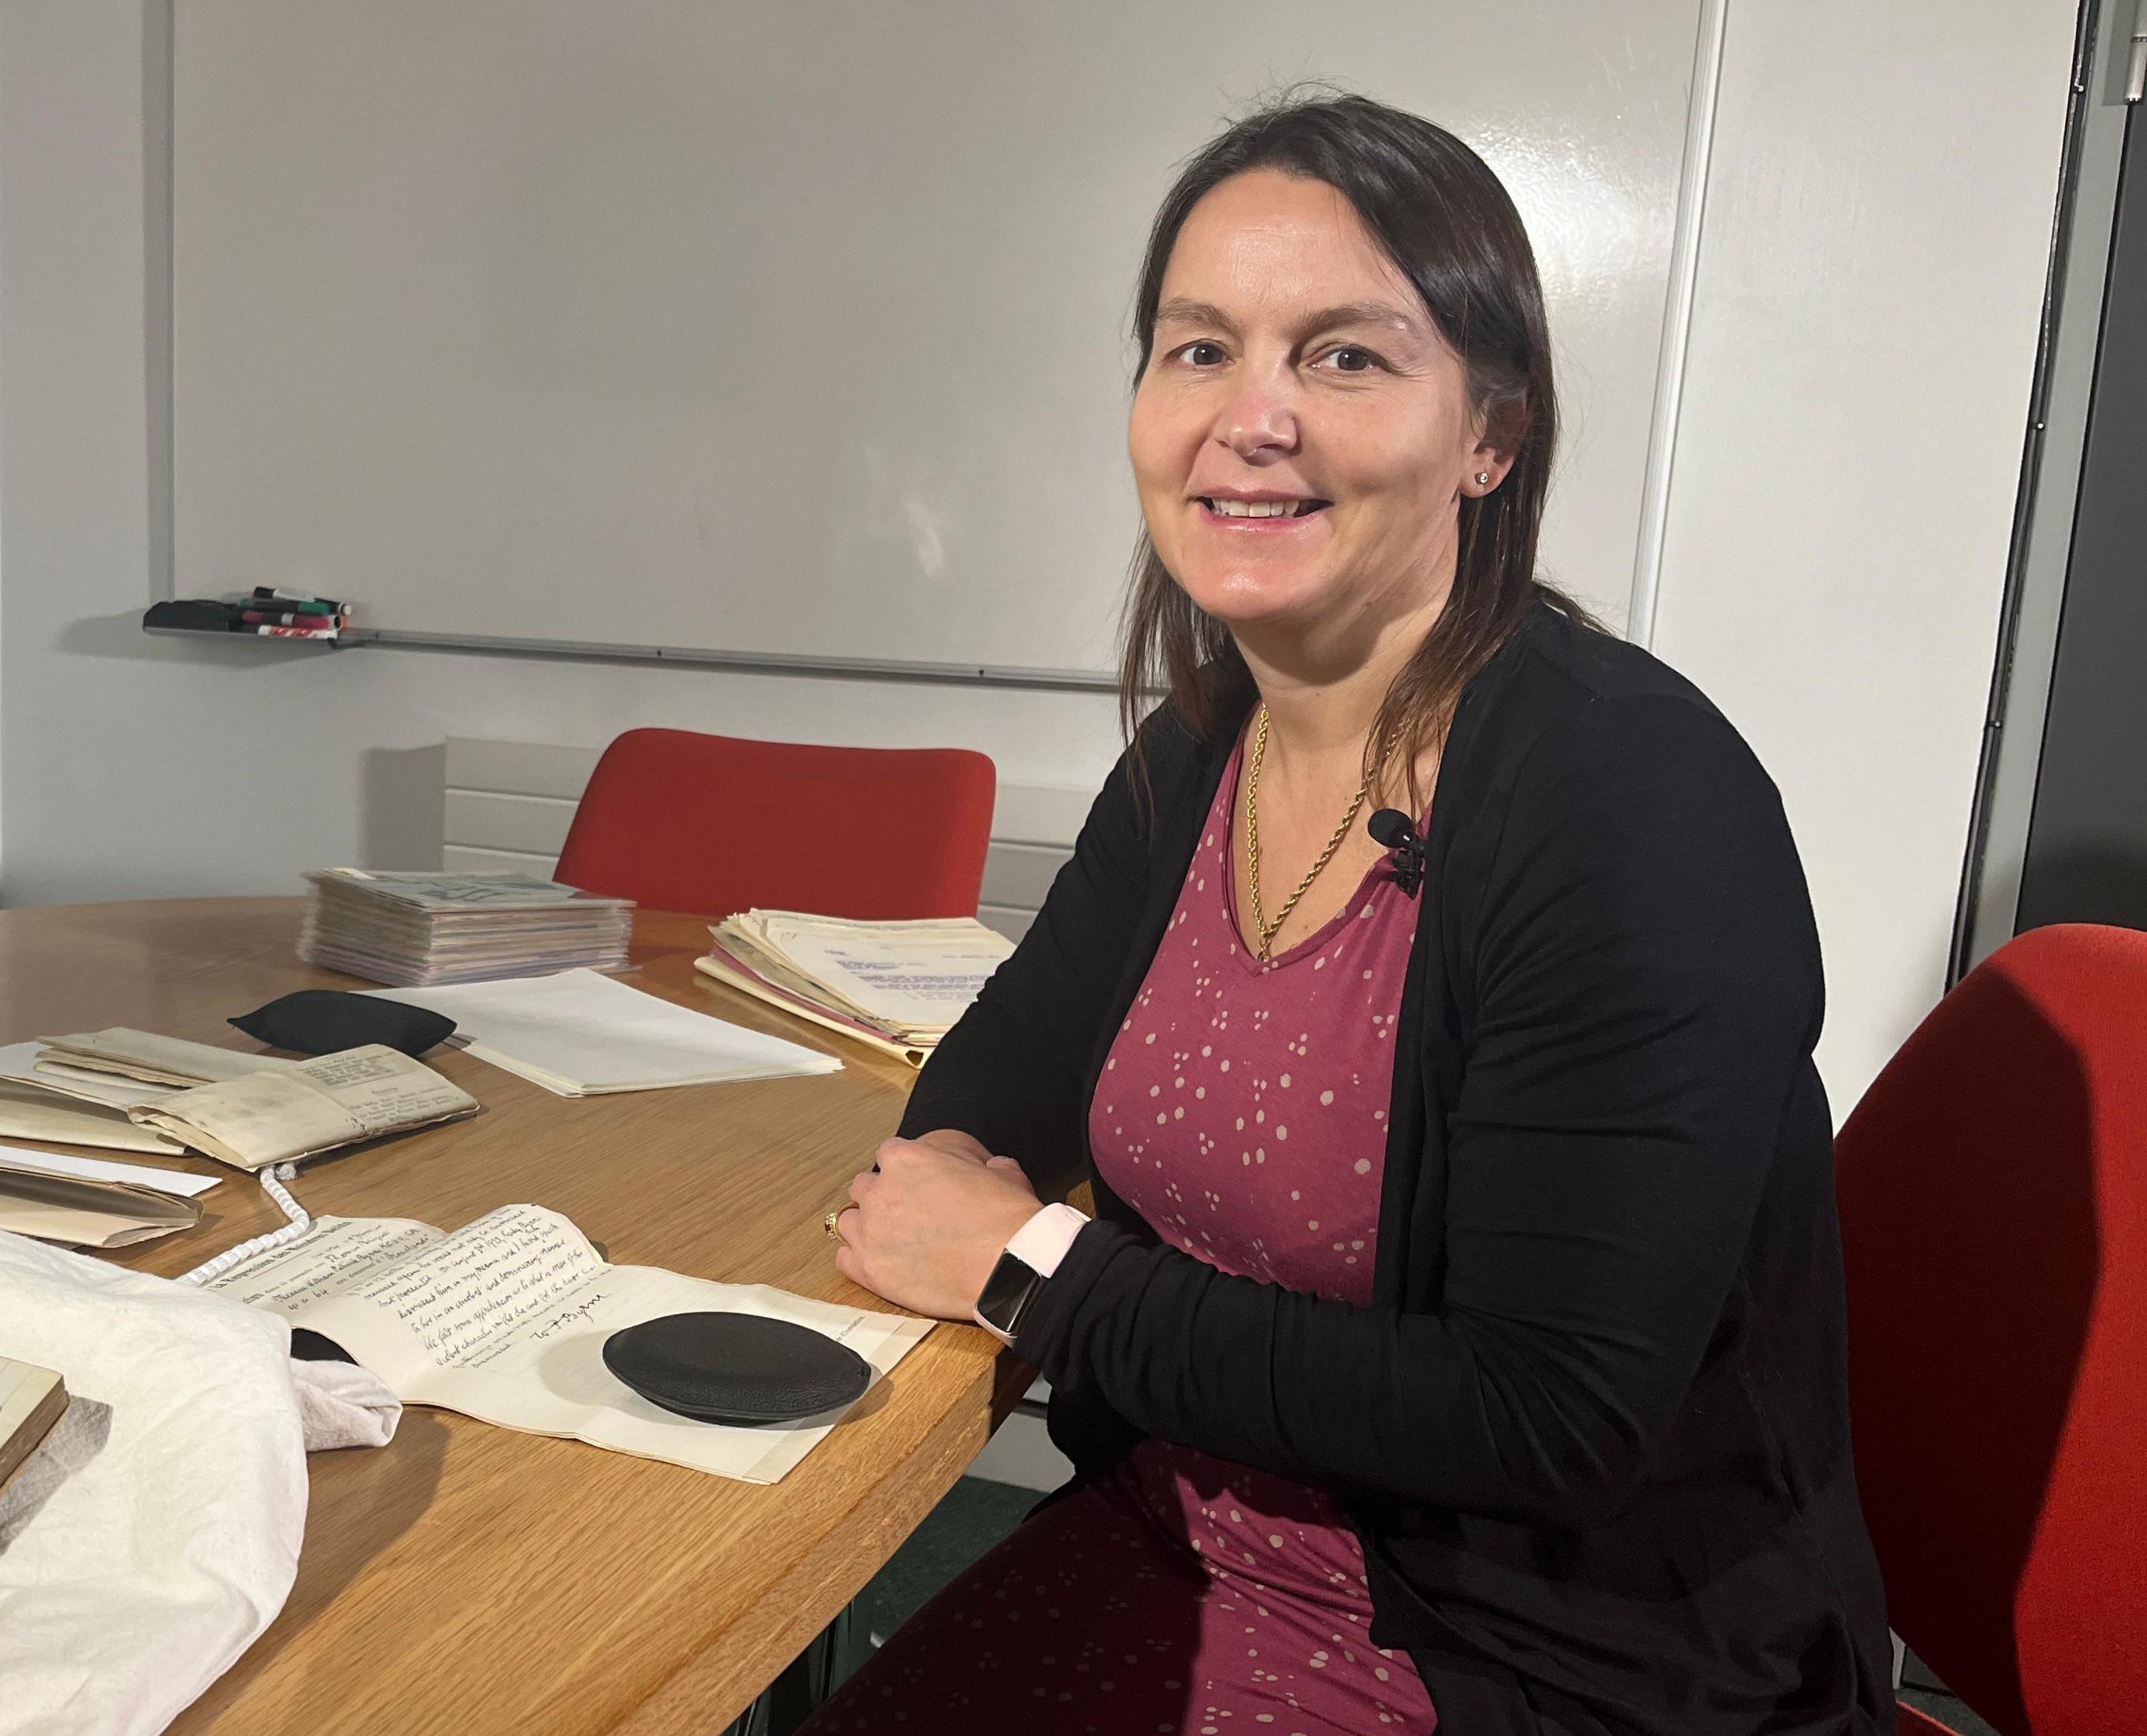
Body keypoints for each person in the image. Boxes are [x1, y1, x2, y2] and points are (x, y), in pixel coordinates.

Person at [805, 95, 1889, 1736]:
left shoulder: (1626, 800)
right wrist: (981, 1200)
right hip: (1205, 1534)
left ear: (1490, 438)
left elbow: (1546, 1420)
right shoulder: (1200, 753)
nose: (1252, 418)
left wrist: (1035, 1270)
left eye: (1346, 358)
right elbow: (995, 1087)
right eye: (1198, 349)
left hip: (1533, 1653)